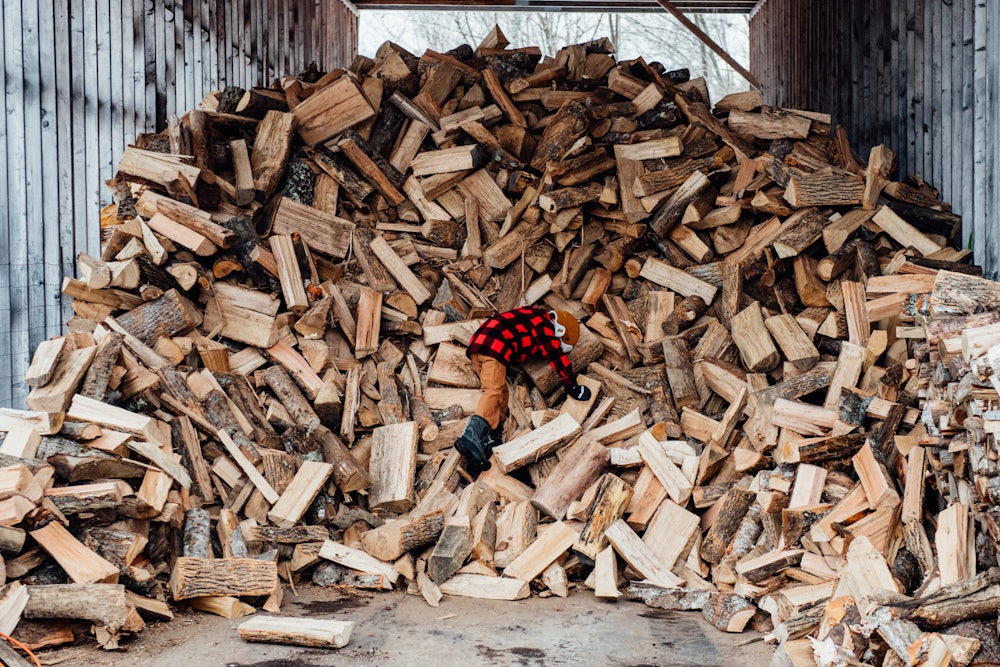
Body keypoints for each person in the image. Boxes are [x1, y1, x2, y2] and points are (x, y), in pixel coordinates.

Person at [454, 307, 592, 474]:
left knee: (502, 394)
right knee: (493, 390)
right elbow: (556, 356)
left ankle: (491, 440)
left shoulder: (531, 316)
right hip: (493, 347)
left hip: (479, 346)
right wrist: (572, 386)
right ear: (560, 330)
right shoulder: (544, 324)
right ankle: (471, 436)